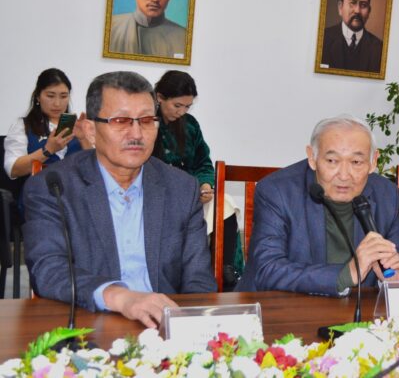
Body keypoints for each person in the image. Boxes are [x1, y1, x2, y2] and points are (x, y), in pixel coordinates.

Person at [23, 71, 216, 328]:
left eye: (146, 121)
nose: (136, 134)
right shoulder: (54, 187)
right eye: (121, 121)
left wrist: (189, 330)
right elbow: (48, 269)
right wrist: (120, 297)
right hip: (88, 326)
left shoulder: (182, 188)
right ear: (91, 130)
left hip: (164, 327)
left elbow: (199, 280)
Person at [235, 115, 399, 295]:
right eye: (332, 161)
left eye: (356, 162)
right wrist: (346, 274)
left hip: (358, 311)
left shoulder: (386, 193)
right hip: (285, 307)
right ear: (312, 157)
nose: (344, 175)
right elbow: (266, 269)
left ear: (373, 162)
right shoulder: (277, 191)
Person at [152, 70, 241, 289]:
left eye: (187, 106)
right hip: (159, 194)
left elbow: (203, 162)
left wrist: (205, 184)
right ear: (160, 97)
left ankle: (225, 268)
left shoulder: (190, 125)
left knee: (225, 202)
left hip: (191, 192)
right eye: (177, 105)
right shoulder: (147, 123)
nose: (182, 112)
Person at [4, 68, 90, 181]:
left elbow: (96, 171)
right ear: (38, 96)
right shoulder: (24, 125)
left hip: (75, 191)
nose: (57, 103)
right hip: (37, 190)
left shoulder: (77, 126)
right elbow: (13, 169)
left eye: (63, 96)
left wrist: (84, 139)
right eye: (50, 96)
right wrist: (47, 150)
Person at [320, 0, 383, 73]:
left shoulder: (379, 48)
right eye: (352, 3)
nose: (357, 10)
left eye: (363, 5)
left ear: (369, 11)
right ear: (340, 8)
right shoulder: (322, 39)